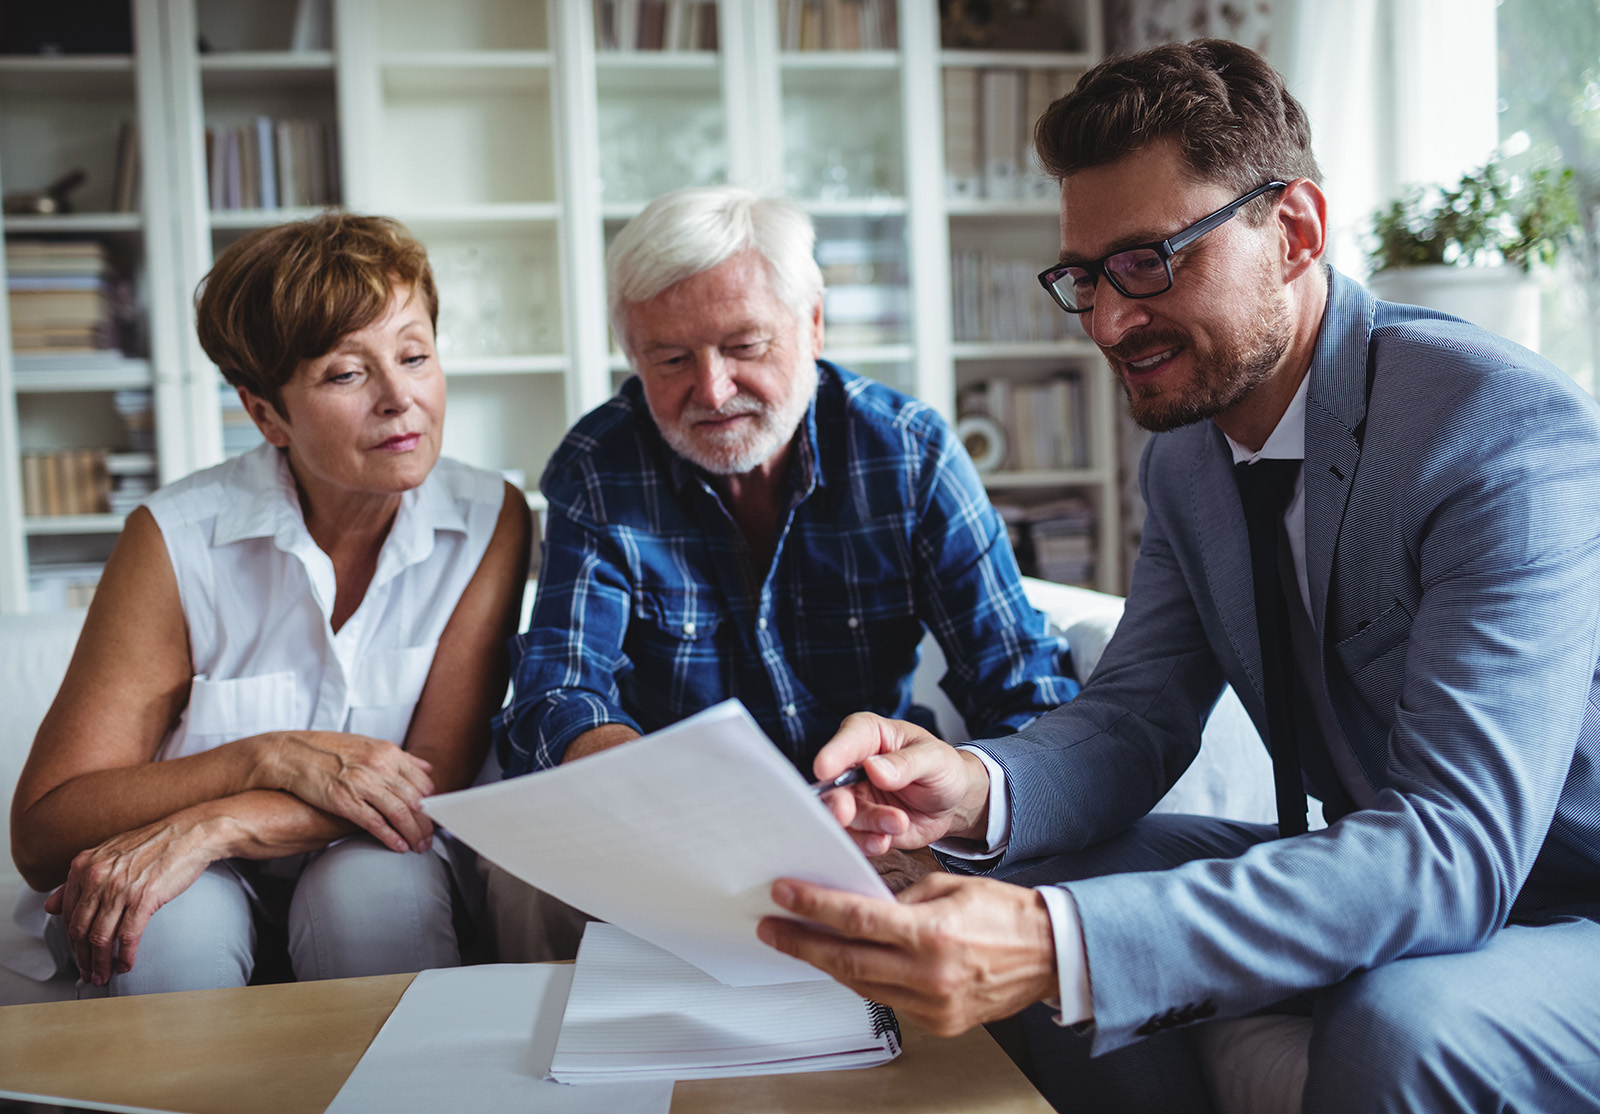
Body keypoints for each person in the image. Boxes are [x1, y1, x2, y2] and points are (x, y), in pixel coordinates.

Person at [756, 39, 1600, 1114]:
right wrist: (970, 788)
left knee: (1402, 1030)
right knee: (1009, 877)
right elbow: (1132, 720)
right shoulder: (1190, 460)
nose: (1109, 322)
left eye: (1151, 260)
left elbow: (1454, 848)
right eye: (1086, 277)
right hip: (1375, 862)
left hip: (1558, 892)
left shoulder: (1493, 429)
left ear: (1292, 231)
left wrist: (1063, 948)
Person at [490, 185, 1078, 958]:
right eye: (670, 359)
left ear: (812, 325)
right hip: (669, 832)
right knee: (534, 883)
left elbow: (1026, 688)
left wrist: (949, 807)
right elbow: (558, 689)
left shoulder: (911, 453)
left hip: (867, 823)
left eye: (742, 346)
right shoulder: (600, 465)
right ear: (632, 358)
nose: (711, 389)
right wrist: (634, 777)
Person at [9, 212, 532, 996]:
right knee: (168, 930)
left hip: (373, 854)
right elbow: (47, 831)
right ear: (266, 415)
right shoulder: (174, 538)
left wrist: (217, 821)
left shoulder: (492, 518)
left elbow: (432, 784)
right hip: (196, 879)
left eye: (415, 355)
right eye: (345, 374)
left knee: (373, 893)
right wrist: (265, 757)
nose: (401, 399)